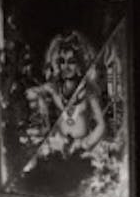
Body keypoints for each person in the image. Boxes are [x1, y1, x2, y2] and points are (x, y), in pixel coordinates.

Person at [22, 30, 106, 172]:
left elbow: (101, 125)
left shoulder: (88, 91)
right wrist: (38, 99)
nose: (66, 67)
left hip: (83, 152)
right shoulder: (54, 88)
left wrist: (84, 144)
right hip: (58, 151)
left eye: (71, 62)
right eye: (62, 62)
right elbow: (31, 93)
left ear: (79, 64)